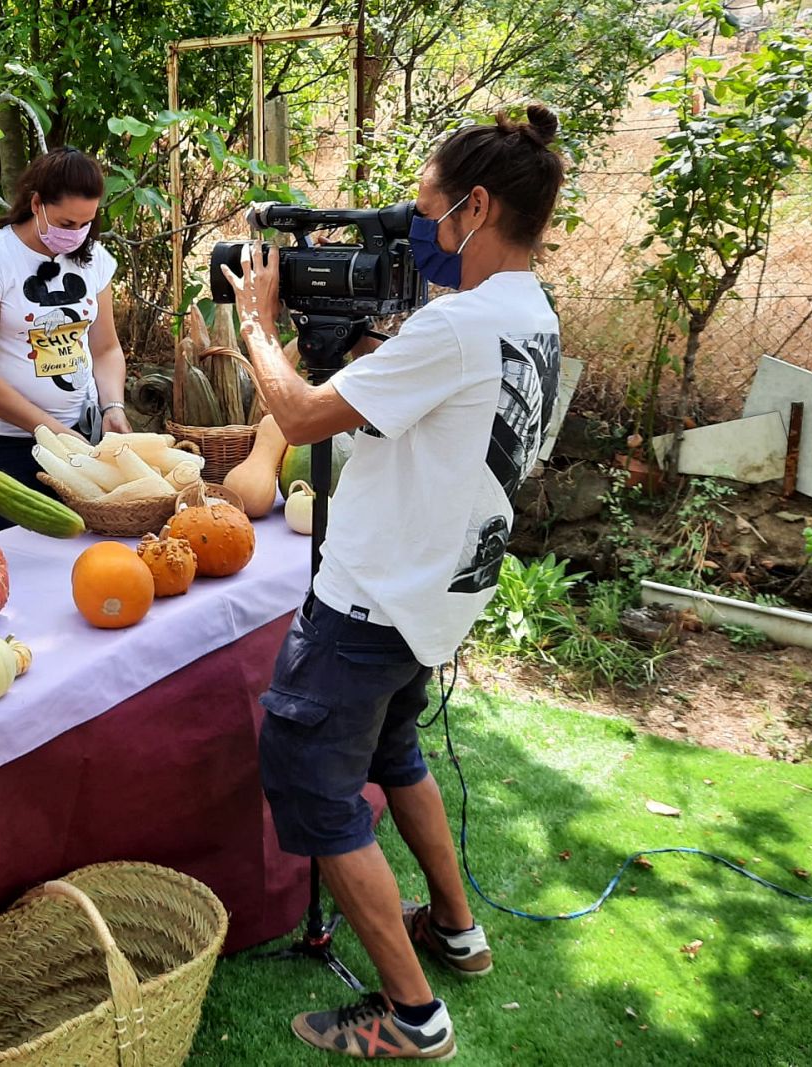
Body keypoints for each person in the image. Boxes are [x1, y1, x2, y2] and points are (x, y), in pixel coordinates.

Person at [221, 104, 567, 1060]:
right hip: (440, 592)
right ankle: (459, 931)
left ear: (477, 205)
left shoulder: (456, 325)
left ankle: (412, 1015)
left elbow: (293, 415)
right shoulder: (528, 315)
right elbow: (434, 417)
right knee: (394, 746)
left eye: (426, 208)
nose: (417, 228)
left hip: (373, 593)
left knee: (312, 778)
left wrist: (257, 323)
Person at [0, 147, 132, 532]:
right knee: (24, 564)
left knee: (84, 552)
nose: (77, 234)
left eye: (87, 222)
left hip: (80, 435)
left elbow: (106, 348)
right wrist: (49, 431)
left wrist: (112, 405)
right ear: (36, 204)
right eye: (67, 223)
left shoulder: (94, 258)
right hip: (8, 442)